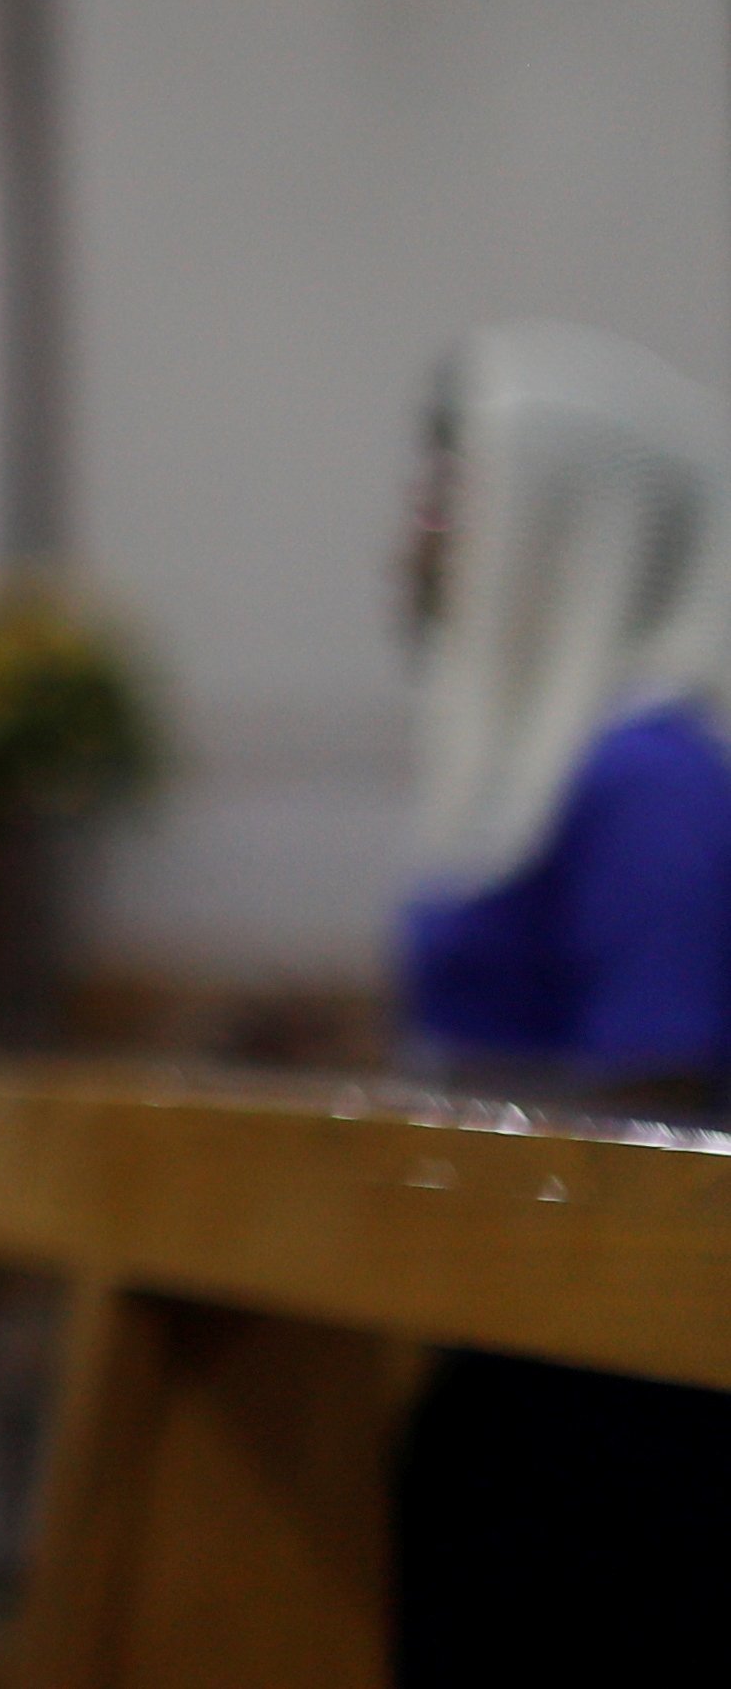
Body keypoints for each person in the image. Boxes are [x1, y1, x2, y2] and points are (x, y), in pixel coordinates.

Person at [382, 323, 731, 1689]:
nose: (410, 537)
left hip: (627, 1410)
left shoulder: (653, 782)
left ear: (554, 516)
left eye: (445, 491)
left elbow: (656, 1092)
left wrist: (394, 1105)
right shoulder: (558, 766)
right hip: (511, 1357)